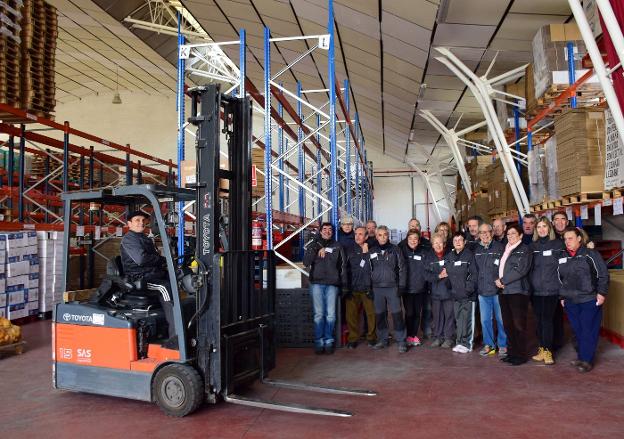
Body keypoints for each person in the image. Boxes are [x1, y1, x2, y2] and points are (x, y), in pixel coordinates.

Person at [121, 211, 176, 348]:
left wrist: (166, 262)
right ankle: (176, 336)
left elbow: (153, 257)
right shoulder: (129, 239)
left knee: (176, 280)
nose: (141, 223)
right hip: (139, 278)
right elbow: (141, 259)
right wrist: (160, 260)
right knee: (166, 289)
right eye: (137, 220)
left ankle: (177, 324)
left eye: (143, 220)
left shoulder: (143, 238)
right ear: (129, 223)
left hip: (150, 274)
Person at [558, 227, 609, 373]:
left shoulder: (590, 254)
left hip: (589, 299)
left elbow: (603, 274)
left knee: (588, 330)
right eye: (565, 239)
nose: (567, 241)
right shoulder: (562, 256)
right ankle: (581, 357)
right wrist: (562, 296)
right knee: (578, 330)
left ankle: (587, 360)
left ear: (579, 238)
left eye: (571, 238)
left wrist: (601, 293)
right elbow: (559, 278)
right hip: (570, 300)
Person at [303, 222, 347, 355]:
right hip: (317, 283)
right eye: (325, 229)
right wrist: (316, 247)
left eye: (330, 230)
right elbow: (306, 262)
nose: (327, 231)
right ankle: (319, 342)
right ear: (320, 231)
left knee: (331, 315)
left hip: (332, 284)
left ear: (333, 232)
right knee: (318, 315)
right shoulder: (313, 245)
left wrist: (343, 285)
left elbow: (343, 266)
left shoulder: (337, 246)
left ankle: (328, 341)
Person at [529, 217, 565, 365]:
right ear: (536, 230)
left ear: (549, 228)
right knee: (538, 321)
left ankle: (548, 350)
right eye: (539, 227)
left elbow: (563, 268)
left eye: (544, 226)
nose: (542, 229)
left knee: (547, 320)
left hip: (552, 290)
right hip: (536, 291)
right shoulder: (532, 247)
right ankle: (542, 348)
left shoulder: (558, 245)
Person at [496, 224, 533, 366]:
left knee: (518, 325)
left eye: (513, 234)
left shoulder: (524, 250)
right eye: (508, 234)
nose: (510, 236)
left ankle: (521, 355)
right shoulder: (505, 249)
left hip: (517, 292)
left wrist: (503, 280)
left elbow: (521, 270)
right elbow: (499, 267)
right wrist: (498, 281)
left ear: (521, 235)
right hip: (504, 291)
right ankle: (511, 353)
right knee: (508, 324)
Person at [369, 225, 408, 353]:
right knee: (380, 315)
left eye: (385, 234)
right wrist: (369, 287)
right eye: (380, 235)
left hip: (392, 287)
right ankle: (383, 339)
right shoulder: (371, 251)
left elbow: (402, 268)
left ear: (388, 235)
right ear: (376, 236)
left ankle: (401, 340)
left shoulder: (395, 250)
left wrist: (401, 285)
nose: (383, 237)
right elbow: (368, 270)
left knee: (397, 315)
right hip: (377, 288)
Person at [474, 223, 508, 358]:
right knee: (485, 320)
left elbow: (505, 268)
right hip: (482, 291)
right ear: (479, 235)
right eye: (482, 232)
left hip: (498, 291)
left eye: (487, 232)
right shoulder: (476, 250)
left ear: (492, 233)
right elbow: (474, 271)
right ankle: (489, 345)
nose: (485, 234)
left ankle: (503, 345)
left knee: (501, 320)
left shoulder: (500, 248)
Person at [344, 226, 376, 349]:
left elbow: (371, 268)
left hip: (367, 287)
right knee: (351, 315)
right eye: (356, 234)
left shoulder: (372, 250)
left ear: (366, 237)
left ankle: (371, 337)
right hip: (353, 287)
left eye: (361, 234)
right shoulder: (349, 250)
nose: (357, 236)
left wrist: (366, 253)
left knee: (371, 314)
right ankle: (353, 338)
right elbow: (344, 269)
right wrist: (346, 287)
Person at [445, 232, 478, 353]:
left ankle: (467, 343)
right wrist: (449, 287)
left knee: (467, 319)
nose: (458, 242)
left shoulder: (469, 256)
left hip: (468, 295)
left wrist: (468, 290)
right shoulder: (449, 256)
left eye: (460, 240)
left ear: (464, 242)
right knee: (459, 319)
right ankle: (459, 342)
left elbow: (474, 274)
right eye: (455, 240)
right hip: (455, 294)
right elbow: (447, 274)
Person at [402, 230, 431, 347]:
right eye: (411, 239)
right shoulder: (402, 252)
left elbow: (428, 270)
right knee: (409, 313)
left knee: (417, 313)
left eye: (415, 239)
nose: (413, 241)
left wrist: (427, 285)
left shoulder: (424, 252)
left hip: (420, 288)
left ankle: (413, 335)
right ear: (407, 240)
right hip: (407, 289)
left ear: (419, 241)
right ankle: (408, 335)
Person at [425, 233, 454, 349]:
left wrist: (449, 273)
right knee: (437, 316)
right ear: (432, 245)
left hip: (449, 291)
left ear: (444, 244)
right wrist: (438, 276)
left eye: (440, 242)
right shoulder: (429, 257)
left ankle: (448, 338)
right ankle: (438, 337)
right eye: (435, 243)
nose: (438, 245)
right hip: (435, 292)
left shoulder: (450, 255)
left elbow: (456, 271)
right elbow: (426, 275)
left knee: (449, 315)